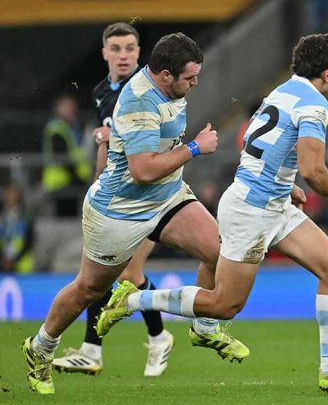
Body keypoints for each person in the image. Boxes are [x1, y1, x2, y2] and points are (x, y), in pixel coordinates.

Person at [94, 34, 328, 392]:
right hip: (252, 211)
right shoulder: (315, 104)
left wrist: (281, 181)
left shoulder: (283, 91)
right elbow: (314, 172)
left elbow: (255, 143)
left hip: (272, 201)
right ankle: (133, 298)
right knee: (224, 304)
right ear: (327, 73)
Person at [22, 33, 248, 395]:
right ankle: (40, 347)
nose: (195, 84)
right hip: (120, 210)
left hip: (168, 197)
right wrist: (194, 147)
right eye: (189, 78)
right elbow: (142, 170)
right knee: (88, 289)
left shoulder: (170, 87)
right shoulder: (141, 101)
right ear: (163, 75)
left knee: (218, 253)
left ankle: (204, 330)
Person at [51, 23, 174, 378]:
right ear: (104, 53)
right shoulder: (103, 91)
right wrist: (97, 187)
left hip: (154, 194)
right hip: (118, 195)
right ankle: (142, 340)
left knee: (126, 272)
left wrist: (115, 134)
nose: (123, 55)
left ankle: (152, 338)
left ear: (139, 53)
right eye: (116, 49)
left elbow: (162, 139)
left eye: (130, 48)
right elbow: (106, 146)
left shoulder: (150, 89)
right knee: (107, 273)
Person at [42, 93, 92, 216]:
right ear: (60, 110)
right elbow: (62, 157)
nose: (73, 111)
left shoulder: (67, 128)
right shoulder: (57, 129)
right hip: (62, 182)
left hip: (67, 181)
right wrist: (77, 177)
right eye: (69, 108)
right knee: (65, 219)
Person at [1, 184, 35, 273]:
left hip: (22, 264)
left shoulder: (26, 216)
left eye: (13, 196)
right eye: (8, 196)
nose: (10, 199)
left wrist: (14, 260)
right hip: (2, 262)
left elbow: (29, 240)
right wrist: (3, 259)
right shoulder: (2, 216)